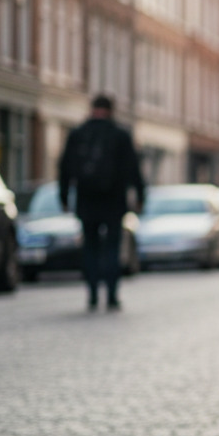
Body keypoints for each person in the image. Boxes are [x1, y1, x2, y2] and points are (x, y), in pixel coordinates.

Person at [58, 94, 145, 311]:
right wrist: (141, 195)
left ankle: (93, 293)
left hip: (86, 200)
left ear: (92, 109)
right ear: (111, 110)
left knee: (90, 247)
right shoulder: (120, 136)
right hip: (114, 201)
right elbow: (133, 168)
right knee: (112, 248)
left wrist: (64, 196)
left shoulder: (78, 134)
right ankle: (113, 295)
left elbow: (65, 167)